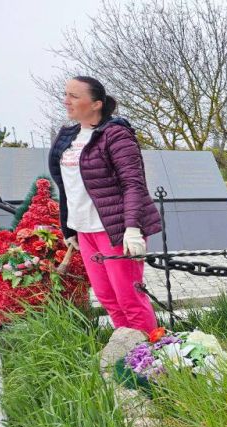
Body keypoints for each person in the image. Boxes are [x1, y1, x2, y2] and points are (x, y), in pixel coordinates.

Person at [48, 76, 161, 333]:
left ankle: (149, 350)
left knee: (129, 298)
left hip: (114, 229)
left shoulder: (115, 134)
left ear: (96, 104)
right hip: (84, 231)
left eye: (74, 96)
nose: (66, 101)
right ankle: (127, 346)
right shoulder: (67, 138)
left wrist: (132, 228)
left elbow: (133, 183)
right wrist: (69, 228)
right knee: (107, 298)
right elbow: (66, 186)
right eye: (66, 95)